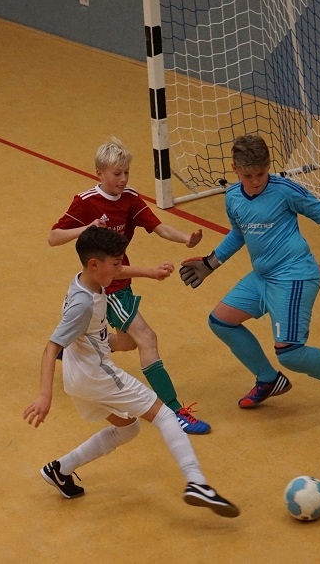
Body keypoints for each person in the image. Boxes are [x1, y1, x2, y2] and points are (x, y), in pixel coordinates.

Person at [179, 134, 320, 419]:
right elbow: (239, 233)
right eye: (248, 176)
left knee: (290, 353)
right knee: (221, 322)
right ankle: (268, 379)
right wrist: (210, 263)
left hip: (294, 276)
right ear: (235, 169)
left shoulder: (285, 191)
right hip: (263, 277)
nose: (256, 181)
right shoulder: (233, 196)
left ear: (268, 166)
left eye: (261, 173)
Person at [24, 226, 239, 518]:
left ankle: (61, 469)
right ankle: (197, 483)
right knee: (165, 416)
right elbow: (51, 348)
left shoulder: (87, 281)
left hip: (78, 376)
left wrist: (149, 273)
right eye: (115, 264)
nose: (119, 270)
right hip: (97, 375)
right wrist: (44, 396)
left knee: (129, 428)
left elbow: (116, 278)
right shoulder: (82, 304)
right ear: (94, 264)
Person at [48, 137, 210, 434]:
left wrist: (186, 239)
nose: (123, 179)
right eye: (116, 173)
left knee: (128, 342)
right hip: (107, 286)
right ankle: (174, 410)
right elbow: (53, 237)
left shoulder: (130, 198)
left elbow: (158, 226)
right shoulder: (86, 201)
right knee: (147, 337)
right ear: (99, 174)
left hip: (121, 281)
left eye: (126, 172)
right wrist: (87, 228)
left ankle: (72, 346)